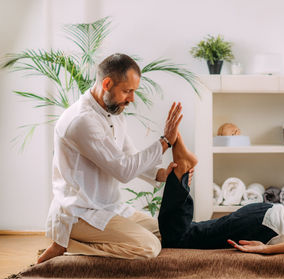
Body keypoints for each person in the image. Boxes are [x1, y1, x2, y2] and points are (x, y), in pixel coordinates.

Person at [38, 53, 193, 263]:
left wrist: (160, 174)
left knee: (165, 233)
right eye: (127, 91)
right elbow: (123, 171)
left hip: (109, 208)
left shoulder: (114, 113)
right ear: (107, 83)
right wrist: (165, 141)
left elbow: (128, 156)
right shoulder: (82, 121)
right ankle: (69, 244)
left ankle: (70, 243)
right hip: (79, 213)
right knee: (149, 247)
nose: (132, 99)